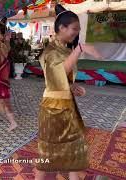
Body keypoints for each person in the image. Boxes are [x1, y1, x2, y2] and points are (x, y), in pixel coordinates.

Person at [34, 4, 102, 180]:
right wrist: (80, 49)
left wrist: (71, 87)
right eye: (74, 29)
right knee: (48, 154)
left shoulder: (64, 49)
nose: (76, 33)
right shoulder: (50, 51)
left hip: (66, 105)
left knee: (73, 149)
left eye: (78, 29)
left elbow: (62, 77)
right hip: (53, 109)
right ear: (62, 28)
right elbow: (56, 77)